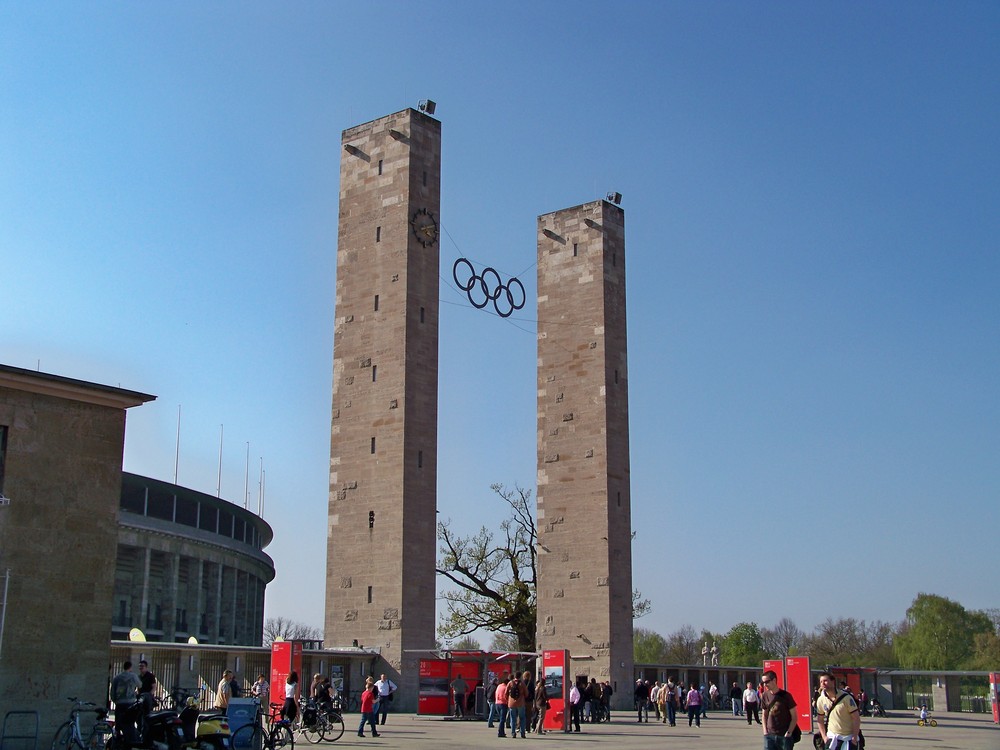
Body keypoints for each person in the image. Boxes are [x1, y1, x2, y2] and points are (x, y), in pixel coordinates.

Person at [815, 671, 861, 750]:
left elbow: (856, 718)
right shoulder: (821, 700)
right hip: (832, 737)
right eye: (821, 682)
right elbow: (820, 720)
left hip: (848, 738)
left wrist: (854, 737)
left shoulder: (846, 698)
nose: (823, 683)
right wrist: (824, 737)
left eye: (825, 681)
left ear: (832, 681)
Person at [761, 669, 797, 750]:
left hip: (784, 735)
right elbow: (764, 715)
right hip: (769, 735)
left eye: (767, 682)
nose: (765, 685)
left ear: (774, 680)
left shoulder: (786, 696)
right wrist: (765, 732)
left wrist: (789, 733)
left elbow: (794, 717)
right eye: (763, 683)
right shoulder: (765, 695)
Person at [111, 661, 142, 743]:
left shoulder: (117, 677)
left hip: (120, 703)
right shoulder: (133, 676)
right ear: (130, 667)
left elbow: (112, 691)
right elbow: (140, 685)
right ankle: (130, 740)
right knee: (130, 723)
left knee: (118, 723)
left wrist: (115, 700)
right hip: (130, 702)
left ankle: (117, 740)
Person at [137, 660, 157, 739]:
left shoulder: (150, 676)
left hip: (147, 699)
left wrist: (149, 695)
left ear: (146, 667)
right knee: (139, 716)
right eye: (140, 666)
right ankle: (140, 731)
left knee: (147, 717)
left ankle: (146, 733)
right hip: (140, 699)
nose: (141, 668)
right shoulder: (139, 677)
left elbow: (154, 686)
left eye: (142, 666)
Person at [506, 673, 526, 738]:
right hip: (520, 703)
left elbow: (505, 693)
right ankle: (522, 733)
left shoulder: (510, 683)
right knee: (522, 718)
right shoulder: (522, 684)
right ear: (520, 677)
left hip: (511, 703)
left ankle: (513, 733)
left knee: (513, 718)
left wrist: (508, 700)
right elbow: (526, 693)